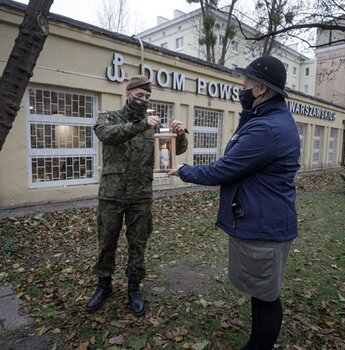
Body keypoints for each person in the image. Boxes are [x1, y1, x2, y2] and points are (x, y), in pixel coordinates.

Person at [169, 56, 300, 349]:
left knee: (266, 296)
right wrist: (246, 112)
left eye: (247, 82)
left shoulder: (267, 128)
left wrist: (184, 171)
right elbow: (239, 150)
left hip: (263, 225)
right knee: (260, 291)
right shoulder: (266, 119)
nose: (242, 86)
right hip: (264, 219)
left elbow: (226, 168)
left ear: (262, 89)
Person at [87, 75, 188, 315]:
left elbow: (174, 148)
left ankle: (134, 288)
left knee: (138, 245)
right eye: (139, 95)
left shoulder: (152, 124)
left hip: (141, 195)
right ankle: (104, 286)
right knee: (106, 243)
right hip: (111, 195)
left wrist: (180, 134)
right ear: (128, 93)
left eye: (147, 97)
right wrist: (141, 125)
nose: (143, 100)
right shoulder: (108, 118)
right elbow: (108, 135)